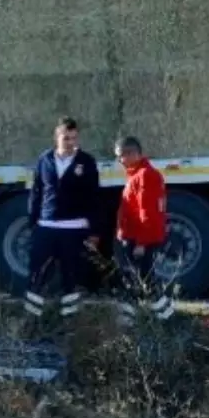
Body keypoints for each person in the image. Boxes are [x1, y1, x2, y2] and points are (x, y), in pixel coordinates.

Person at [25, 117, 102, 324]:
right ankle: (32, 322)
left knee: (72, 277)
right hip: (46, 227)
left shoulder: (86, 162)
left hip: (74, 229)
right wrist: (33, 223)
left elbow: (94, 197)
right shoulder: (44, 160)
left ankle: (71, 324)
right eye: (66, 138)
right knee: (37, 275)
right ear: (56, 137)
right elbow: (36, 192)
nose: (71, 143)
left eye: (74, 138)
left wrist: (94, 231)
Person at [114, 136, 171, 324]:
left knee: (142, 280)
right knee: (137, 279)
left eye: (121, 156)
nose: (119, 161)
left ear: (131, 154)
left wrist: (141, 243)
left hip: (139, 240)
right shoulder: (137, 175)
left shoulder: (145, 176)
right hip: (134, 237)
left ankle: (164, 318)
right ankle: (132, 320)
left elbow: (147, 213)